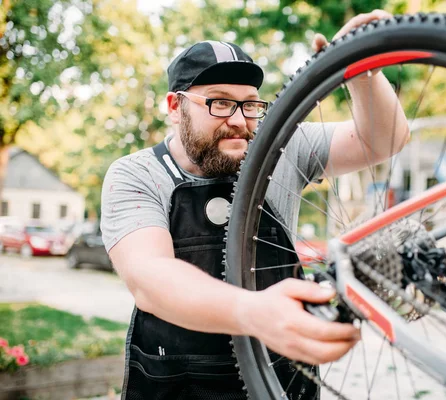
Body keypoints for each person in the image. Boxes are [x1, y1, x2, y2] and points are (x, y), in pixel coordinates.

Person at [101, 9, 410, 400]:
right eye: (219, 103)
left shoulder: (281, 146)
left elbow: (385, 140)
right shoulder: (137, 174)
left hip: (279, 384)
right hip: (176, 385)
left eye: (249, 105)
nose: (239, 120)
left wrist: (363, 74)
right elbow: (150, 277)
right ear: (175, 106)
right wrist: (254, 312)